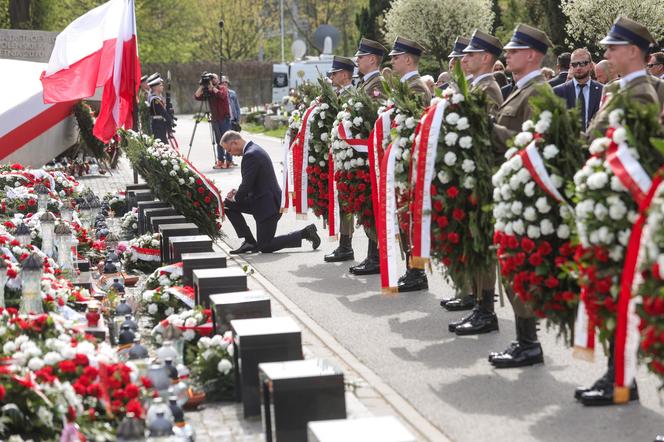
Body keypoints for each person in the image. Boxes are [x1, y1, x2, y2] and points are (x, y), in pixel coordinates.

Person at [577, 16, 659, 407]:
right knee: (609, 292)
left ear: (632, 52)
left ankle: (620, 380)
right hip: (607, 204)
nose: (605, 53)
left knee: (618, 292)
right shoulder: (619, 89)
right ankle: (616, 376)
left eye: (613, 47)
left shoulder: (642, 93)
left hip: (623, 210)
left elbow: (641, 158)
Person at [489, 23, 553, 369]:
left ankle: (529, 343)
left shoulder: (538, 92)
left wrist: (488, 128)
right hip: (511, 189)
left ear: (531, 55)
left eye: (514, 51)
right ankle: (524, 340)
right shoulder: (520, 90)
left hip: (526, 193)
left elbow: (532, 145)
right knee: (511, 267)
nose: (507, 55)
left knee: (519, 267)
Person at [446, 29, 505, 336]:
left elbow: (486, 134)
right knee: (475, 241)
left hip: (482, 175)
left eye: (469, 54)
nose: (463, 59)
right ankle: (478, 304)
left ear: (485, 58)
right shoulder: (472, 85)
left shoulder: (490, 88)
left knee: (482, 243)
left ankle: (485, 308)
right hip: (468, 173)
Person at [221, 131, 321, 254]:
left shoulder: (250, 155)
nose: (229, 154)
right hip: (261, 200)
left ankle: (305, 233)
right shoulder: (253, 150)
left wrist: (236, 198)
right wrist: (236, 195)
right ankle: (249, 242)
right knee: (227, 205)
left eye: (229, 150)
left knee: (265, 246)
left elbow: (247, 185)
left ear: (235, 142)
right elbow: (253, 182)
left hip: (268, 206)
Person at [388, 36, 431, 293]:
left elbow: (410, 126)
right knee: (404, 217)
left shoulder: (414, 87)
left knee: (410, 217)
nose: (392, 61)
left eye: (395, 57)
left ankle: (417, 271)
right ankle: (411, 269)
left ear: (407, 59)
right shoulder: (406, 85)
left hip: (409, 162)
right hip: (402, 160)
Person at [349, 38, 387, 276]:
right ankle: (372, 255)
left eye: (360, 57)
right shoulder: (366, 83)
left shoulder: (378, 84)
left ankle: (376, 257)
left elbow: (376, 117)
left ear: (372, 59)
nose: (357, 60)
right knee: (366, 205)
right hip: (362, 153)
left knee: (372, 205)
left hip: (370, 152)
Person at [324, 55, 357, 264]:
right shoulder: (338, 94)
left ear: (344, 75)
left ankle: (347, 245)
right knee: (343, 200)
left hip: (351, 156)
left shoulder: (352, 95)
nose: (332, 77)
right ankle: (344, 244)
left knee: (348, 201)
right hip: (340, 154)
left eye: (334, 73)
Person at [553, 48, 603, 131]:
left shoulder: (602, 91)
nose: (578, 68)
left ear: (591, 66)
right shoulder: (558, 92)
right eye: (574, 64)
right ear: (570, 67)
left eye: (583, 63)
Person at [194, 73, 232, 169]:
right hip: (215, 119)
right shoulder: (209, 91)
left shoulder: (222, 88)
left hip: (224, 118)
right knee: (219, 140)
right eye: (210, 78)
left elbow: (222, 96)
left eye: (213, 78)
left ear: (218, 79)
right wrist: (202, 86)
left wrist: (212, 87)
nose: (211, 80)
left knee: (226, 139)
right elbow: (196, 96)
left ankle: (229, 160)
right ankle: (220, 160)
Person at [148, 75, 175, 144]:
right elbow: (163, 113)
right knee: (162, 144)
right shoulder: (155, 100)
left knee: (163, 144)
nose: (162, 87)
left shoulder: (158, 98)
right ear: (155, 87)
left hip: (161, 124)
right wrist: (170, 120)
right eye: (161, 85)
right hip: (158, 125)